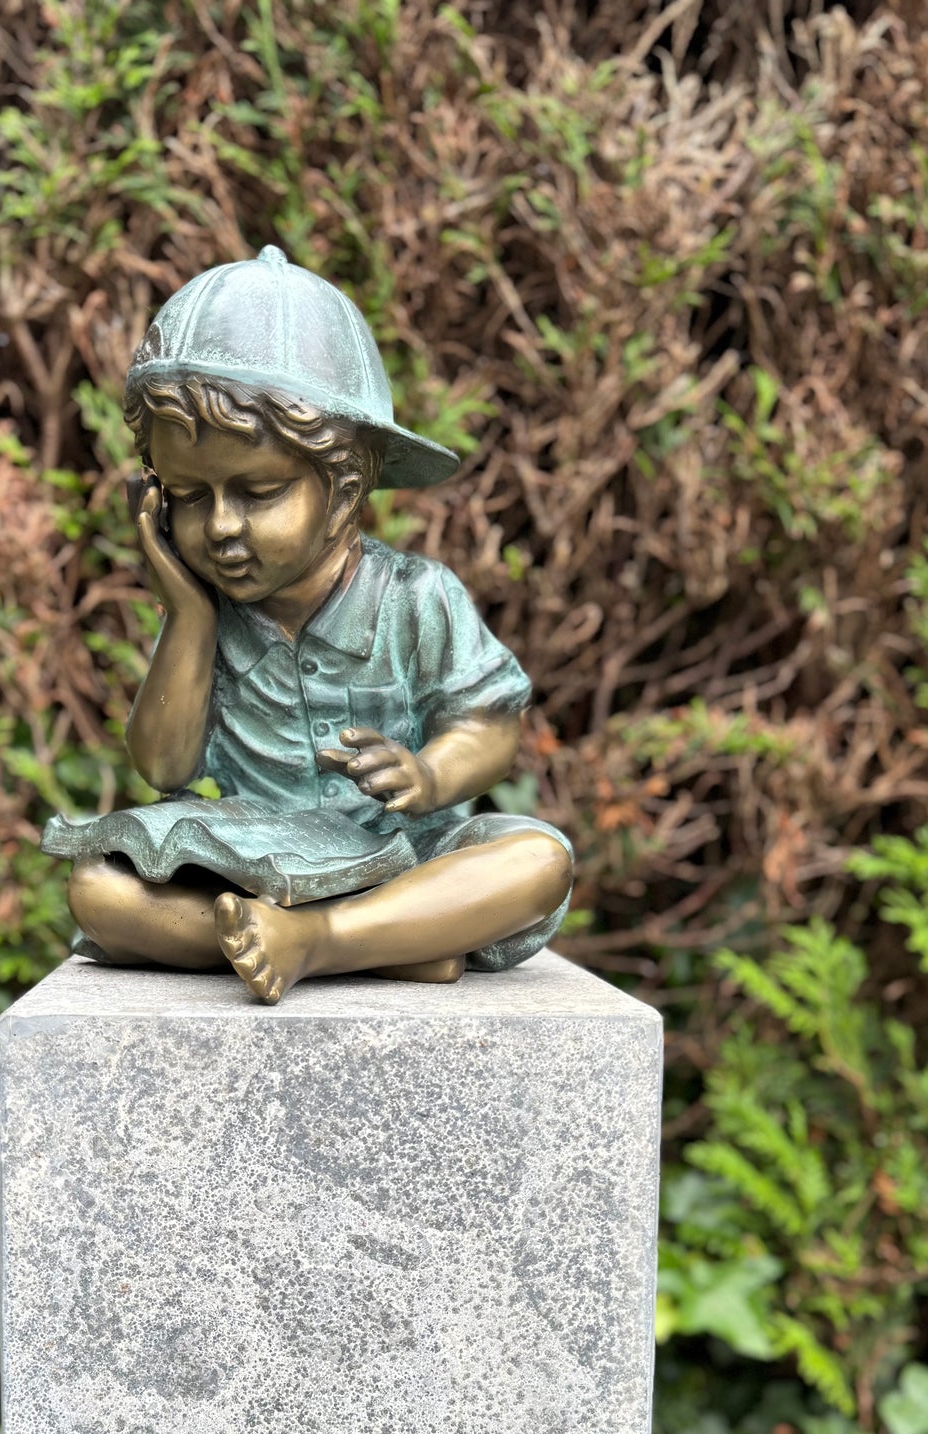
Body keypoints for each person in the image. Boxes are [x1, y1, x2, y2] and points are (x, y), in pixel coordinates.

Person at [42, 246, 574, 1005]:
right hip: (255, 855)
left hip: (405, 853)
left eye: (257, 491)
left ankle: (324, 941)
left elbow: (488, 728)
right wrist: (188, 613)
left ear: (346, 487)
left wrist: (427, 775)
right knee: (101, 888)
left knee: (536, 860)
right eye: (189, 496)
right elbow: (163, 767)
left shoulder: (416, 597)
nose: (220, 525)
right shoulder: (210, 616)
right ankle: (394, 943)